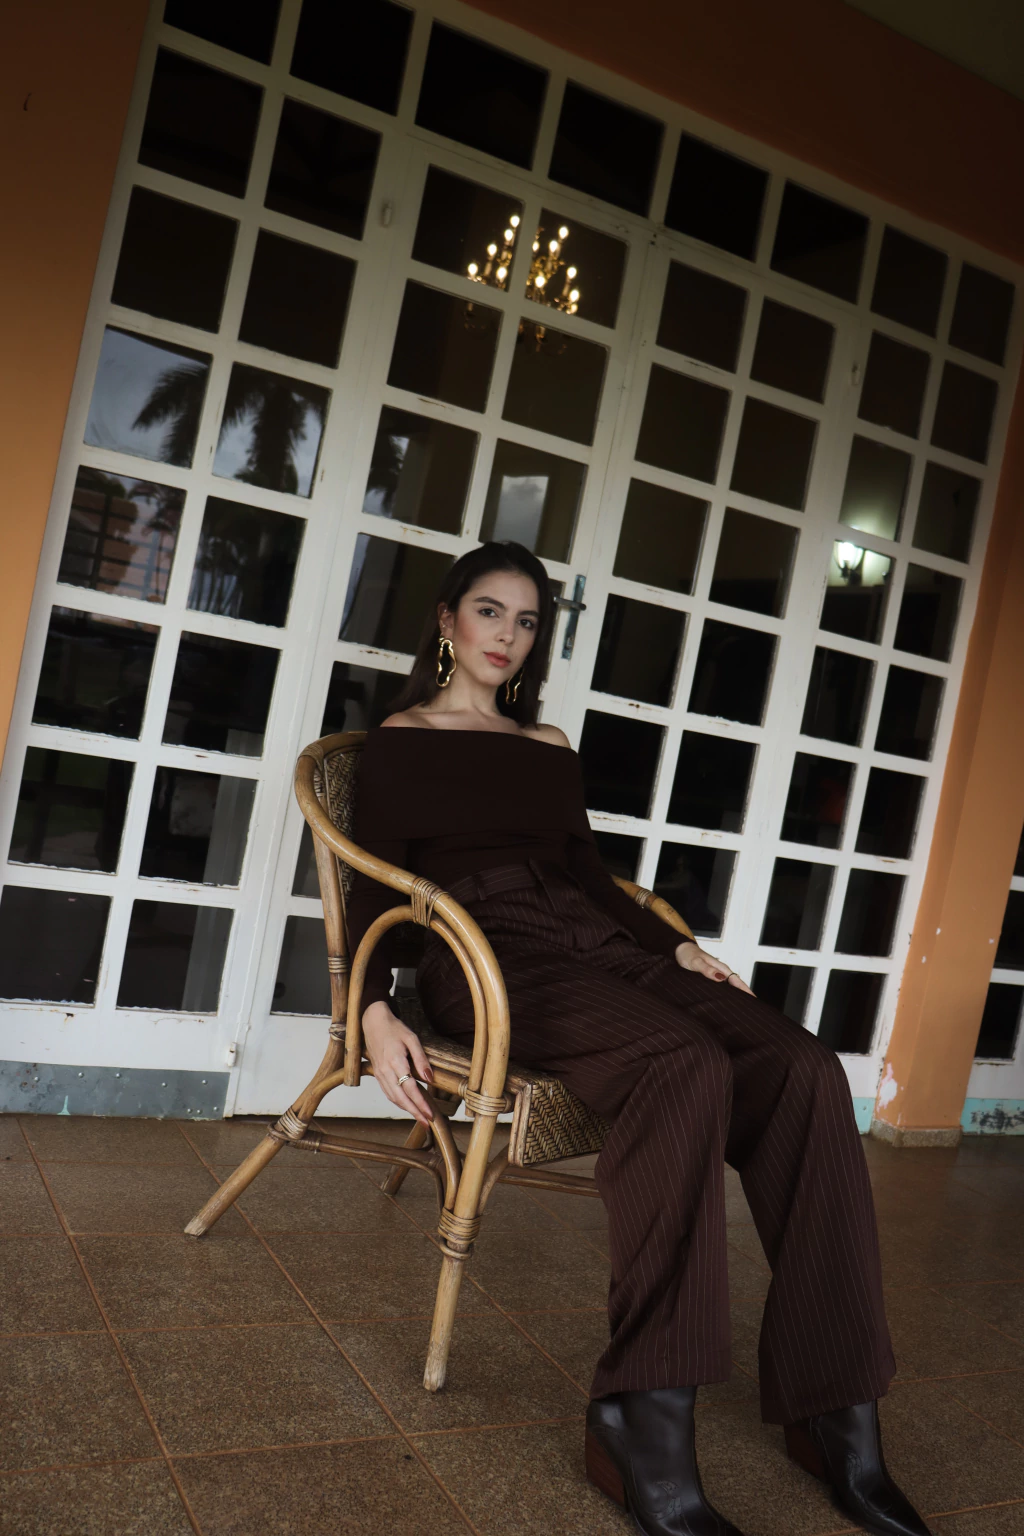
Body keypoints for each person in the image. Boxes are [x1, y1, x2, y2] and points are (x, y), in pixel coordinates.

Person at [346, 540, 930, 1536]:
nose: (507, 636)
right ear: (445, 619)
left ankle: (836, 1407)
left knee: (800, 1068)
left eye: (527, 621)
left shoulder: (546, 744)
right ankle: (641, 1417)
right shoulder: (401, 740)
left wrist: (679, 946)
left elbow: (589, 878)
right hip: (485, 959)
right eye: (489, 611)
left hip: (595, 943)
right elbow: (374, 888)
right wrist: (373, 1007)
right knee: (682, 1064)